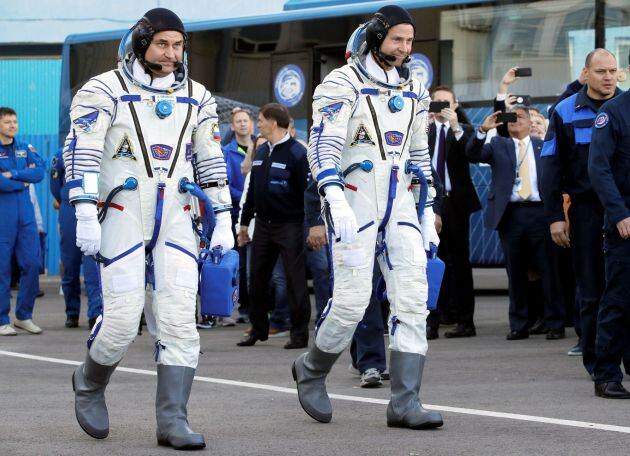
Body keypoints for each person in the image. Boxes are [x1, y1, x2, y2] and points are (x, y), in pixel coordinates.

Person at [66, 8, 234, 450]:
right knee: (122, 321)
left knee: (180, 320)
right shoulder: (104, 90)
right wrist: (84, 210)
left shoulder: (197, 96)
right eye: (163, 43)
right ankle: (88, 381)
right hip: (121, 212)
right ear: (140, 43)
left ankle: (173, 420)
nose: (172, 53)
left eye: (178, 45)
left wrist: (224, 217)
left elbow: (211, 157)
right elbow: (82, 151)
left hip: (177, 215)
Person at [292, 5, 443, 430]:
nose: (404, 48)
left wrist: (428, 206)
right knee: (352, 303)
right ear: (375, 37)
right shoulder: (341, 84)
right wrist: (333, 199)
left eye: (410, 41)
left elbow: (417, 153)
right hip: (353, 202)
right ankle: (313, 368)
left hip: (399, 205)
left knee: (413, 298)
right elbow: (322, 146)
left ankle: (405, 401)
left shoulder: (414, 88)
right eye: (397, 39)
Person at [541, 49, 622, 377]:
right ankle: (597, 362)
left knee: (624, 289)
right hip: (587, 211)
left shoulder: (626, 106)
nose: (608, 77)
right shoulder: (565, 111)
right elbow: (551, 165)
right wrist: (555, 216)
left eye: (613, 71)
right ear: (585, 74)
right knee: (591, 291)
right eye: (601, 71)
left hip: (623, 208)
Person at [466, 106, 565, 340]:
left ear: (531, 122)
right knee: (516, 272)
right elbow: (472, 153)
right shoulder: (499, 146)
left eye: (519, 117)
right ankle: (519, 324)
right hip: (511, 216)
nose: (513, 121)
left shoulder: (543, 146)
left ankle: (555, 323)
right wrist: (483, 129)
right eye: (509, 118)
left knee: (549, 271)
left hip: (541, 213)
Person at [237, 103, 311, 349]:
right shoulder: (261, 152)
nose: (257, 125)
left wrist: (313, 225)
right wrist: (244, 224)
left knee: (294, 281)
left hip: (290, 225)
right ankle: (258, 329)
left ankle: (299, 334)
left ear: (274, 123)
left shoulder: (297, 153)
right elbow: (252, 193)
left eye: (260, 120)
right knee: (256, 280)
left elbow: (309, 193)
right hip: (263, 226)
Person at [587, 53, 630, 399]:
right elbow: (598, 169)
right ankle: (605, 374)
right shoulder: (612, 113)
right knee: (618, 299)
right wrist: (619, 214)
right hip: (625, 223)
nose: (609, 76)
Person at [426, 85, 479, 339]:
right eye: (438, 103)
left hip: (455, 203)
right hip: (429, 204)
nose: (443, 108)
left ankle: (466, 321)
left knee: (460, 262)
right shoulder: (423, 130)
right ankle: (431, 321)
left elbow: (473, 152)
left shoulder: (463, 131)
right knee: (430, 261)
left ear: (456, 105)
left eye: (447, 103)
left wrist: (456, 126)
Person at [0, 107, 45, 337]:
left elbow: (39, 172)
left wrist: (14, 175)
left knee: (32, 264)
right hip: (3, 217)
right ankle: (1, 319)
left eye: (15, 122)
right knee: (2, 268)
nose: (12, 126)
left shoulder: (25, 147)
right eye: (7, 122)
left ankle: (23, 316)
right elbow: (1, 184)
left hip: (26, 216)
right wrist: (22, 180)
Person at [50, 148, 103, 329]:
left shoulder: (100, 150)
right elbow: (56, 187)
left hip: (95, 208)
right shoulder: (62, 154)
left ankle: (95, 314)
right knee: (70, 264)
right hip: (70, 210)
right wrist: (68, 200)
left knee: (93, 266)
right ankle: (71, 312)